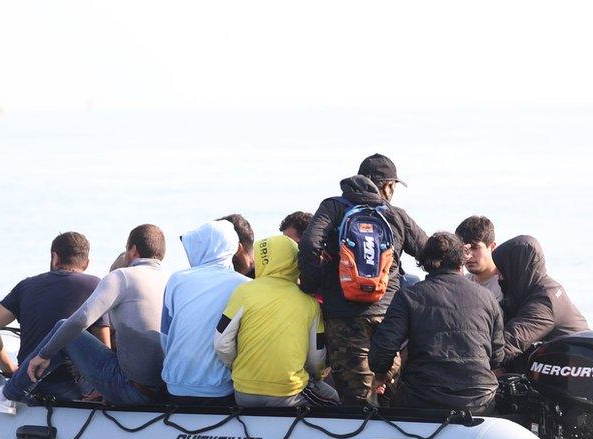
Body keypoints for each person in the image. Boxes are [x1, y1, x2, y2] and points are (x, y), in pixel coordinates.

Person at [0, 225, 169, 410]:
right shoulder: (170, 281)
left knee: (64, 326)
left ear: (133, 250)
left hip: (130, 390)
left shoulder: (121, 276)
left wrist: (44, 354)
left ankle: (8, 393)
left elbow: (80, 320)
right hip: (163, 390)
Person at [299, 155, 427, 405]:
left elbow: (310, 243)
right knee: (387, 385)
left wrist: (312, 285)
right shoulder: (397, 216)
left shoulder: (333, 207)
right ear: (387, 185)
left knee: (356, 401)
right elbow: (430, 253)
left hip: (345, 315)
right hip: (389, 316)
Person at [368, 232, 503, 413]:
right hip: (480, 401)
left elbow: (383, 349)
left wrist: (380, 376)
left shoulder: (408, 296)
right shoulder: (487, 297)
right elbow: (497, 356)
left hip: (422, 399)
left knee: (383, 399)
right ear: (460, 261)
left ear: (425, 262)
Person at [214, 235, 340, 407]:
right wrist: (316, 376)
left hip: (243, 392)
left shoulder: (243, 292)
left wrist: (237, 367)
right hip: (289, 393)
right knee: (337, 401)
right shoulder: (309, 303)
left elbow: (221, 343)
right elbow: (316, 356)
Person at [0, 232, 110, 377]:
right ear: (86, 263)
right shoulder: (96, 286)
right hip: (73, 386)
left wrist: (10, 370)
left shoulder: (26, 286)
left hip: (29, 381)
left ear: (55, 257)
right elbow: (104, 348)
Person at [161, 220, 249, 405]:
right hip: (220, 389)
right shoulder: (244, 285)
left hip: (175, 385)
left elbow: (165, 337)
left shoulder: (177, 280)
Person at [492, 235, 589, 372]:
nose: (496, 271)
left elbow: (511, 342)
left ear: (516, 266)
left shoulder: (545, 299)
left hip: (567, 369)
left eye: (502, 266)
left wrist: (472, 364)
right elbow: (497, 315)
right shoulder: (526, 290)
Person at [455, 215, 503, 301]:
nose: (468, 255)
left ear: (492, 247)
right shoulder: (461, 284)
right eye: (464, 249)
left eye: (475, 248)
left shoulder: (507, 284)